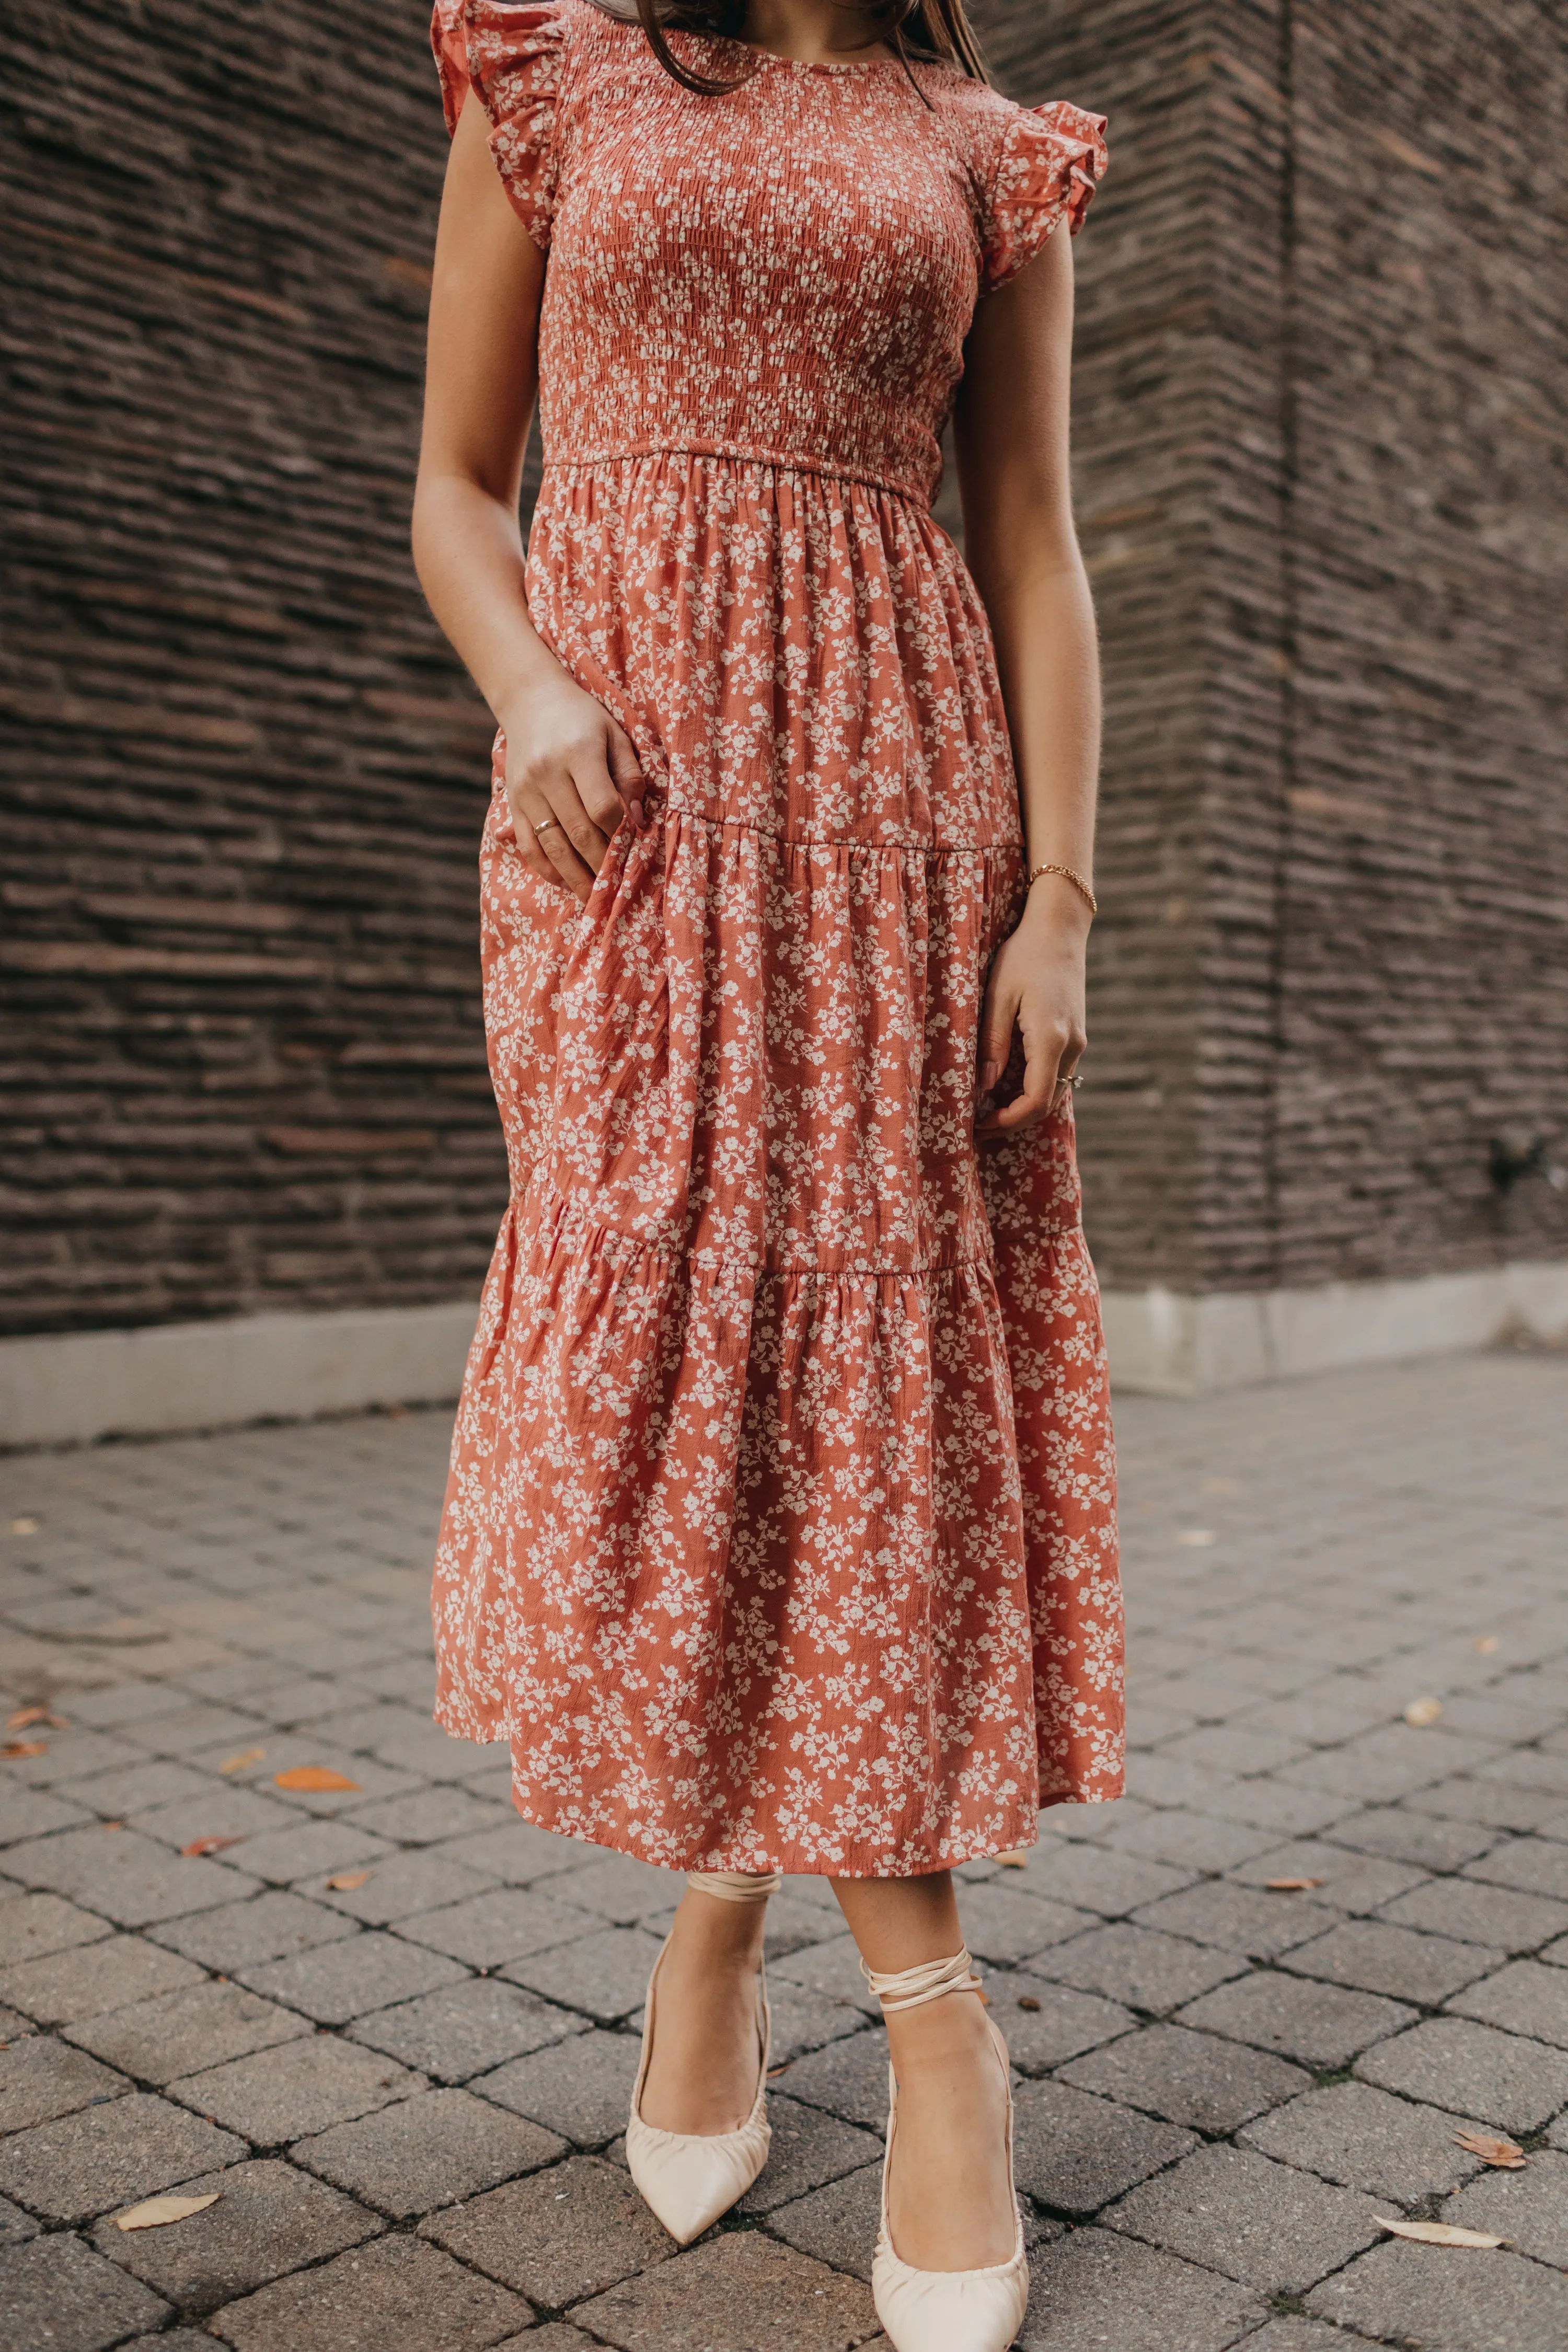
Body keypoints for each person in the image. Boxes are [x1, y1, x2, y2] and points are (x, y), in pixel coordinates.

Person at [413, 2, 1123, 2342]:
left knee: (868, 1405)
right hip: (623, 817)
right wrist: (528, 686)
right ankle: (775, 1928)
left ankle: (920, 2041)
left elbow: (1026, 528)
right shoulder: (561, 70)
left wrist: (1061, 897)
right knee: (664, 1374)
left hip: (900, 803)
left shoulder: (982, 147)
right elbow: (453, 483)